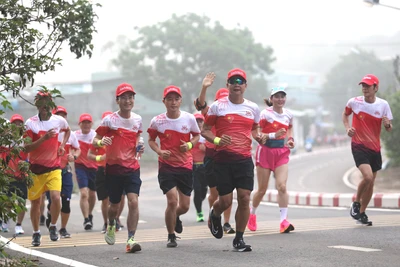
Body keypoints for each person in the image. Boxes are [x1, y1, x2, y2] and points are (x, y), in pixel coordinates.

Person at [202, 68, 265, 252]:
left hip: (244, 160)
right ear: (227, 85)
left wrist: (259, 137)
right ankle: (215, 214)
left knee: (245, 198)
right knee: (226, 201)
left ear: (245, 86)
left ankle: (239, 238)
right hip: (222, 160)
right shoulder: (217, 107)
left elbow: (254, 129)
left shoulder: (252, 108)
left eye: (240, 81)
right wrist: (217, 140)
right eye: (233, 81)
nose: (237, 84)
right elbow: (205, 130)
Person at [147, 85, 200, 248]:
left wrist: (190, 145)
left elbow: (197, 135)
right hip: (167, 166)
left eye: (176, 99)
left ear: (180, 101)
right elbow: (151, 140)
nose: (173, 102)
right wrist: (159, 151)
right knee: (172, 201)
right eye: (169, 99)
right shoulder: (157, 121)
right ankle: (171, 235)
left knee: (183, 206)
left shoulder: (189, 118)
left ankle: (175, 216)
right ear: (164, 101)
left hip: (185, 165)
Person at [93, 83, 143, 253]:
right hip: (114, 169)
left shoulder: (137, 119)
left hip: (132, 167)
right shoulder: (110, 120)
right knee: (114, 206)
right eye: (124, 98)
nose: (127, 101)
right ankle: (111, 224)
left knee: (133, 202)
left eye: (130, 97)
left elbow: (137, 137)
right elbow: (95, 139)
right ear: (117, 100)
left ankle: (131, 239)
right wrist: (101, 142)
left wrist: (139, 145)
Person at [343, 74, 393, 226]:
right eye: (363, 85)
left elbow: (389, 128)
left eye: (368, 86)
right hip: (358, 145)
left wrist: (387, 125)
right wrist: (347, 128)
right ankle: (356, 204)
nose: (364, 88)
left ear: (375, 88)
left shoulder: (383, 105)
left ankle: (362, 213)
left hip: (375, 148)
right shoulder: (354, 102)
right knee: (368, 177)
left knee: (371, 183)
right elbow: (345, 115)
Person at [24, 91, 71, 246]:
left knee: (56, 198)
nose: (44, 105)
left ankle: (52, 226)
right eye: (40, 102)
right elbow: (26, 148)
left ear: (51, 104)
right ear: (36, 104)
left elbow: (68, 130)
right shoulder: (30, 123)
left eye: (47, 102)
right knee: (36, 203)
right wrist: (44, 138)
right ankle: (36, 232)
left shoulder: (58, 121)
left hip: (53, 167)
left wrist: (62, 146)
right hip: (35, 170)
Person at [247, 87, 295, 233]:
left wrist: (291, 139)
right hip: (265, 151)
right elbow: (258, 132)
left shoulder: (288, 114)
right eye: (277, 96)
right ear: (272, 98)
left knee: (282, 186)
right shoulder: (265, 114)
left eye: (283, 96)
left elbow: (290, 128)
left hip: (281, 152)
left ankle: (283, 221)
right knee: (262, 189)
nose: (280, 99)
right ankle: (252, 215)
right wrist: (274, 134)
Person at [194, 72, 235, 234]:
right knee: (215, 193)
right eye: (221, 99)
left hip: (229, 156)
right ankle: (214, 214)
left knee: (228, 193)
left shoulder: (233, 114)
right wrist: (204, 87)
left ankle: (226, 222)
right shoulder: (211, 112)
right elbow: (201, 104)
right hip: (212, 157)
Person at [88, 111, 126, 234]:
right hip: (102, 170)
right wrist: (100, 158)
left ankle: (116, 219)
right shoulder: (99, 138)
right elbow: (90, 154)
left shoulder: (119, 135)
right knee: (105, 199)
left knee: (121, 197)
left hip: (118, 168)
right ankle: (106, 223)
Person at [53, 106, 81, 238]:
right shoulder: (50, 133)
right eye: (58, 115)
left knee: (66, 201)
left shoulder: (71, 134)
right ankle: (51, 218)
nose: (62, 118)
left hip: (65, 171)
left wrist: (73, 156)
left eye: (63, 115)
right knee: (54, 200)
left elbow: (78, 149)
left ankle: (63, 228)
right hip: (51, 171)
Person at [0, 114, 28, 235]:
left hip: (22, 175)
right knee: (8, 201)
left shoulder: (25, 140)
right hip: (8, 175)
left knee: (22, 201)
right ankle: (5, 222)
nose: (17, 125)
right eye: (15, 123)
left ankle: (18, 225)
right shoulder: (5, 141)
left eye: (19, 123)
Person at [74, 113, 98, 230]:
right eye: (84, 123)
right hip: (80, 167)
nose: (86, 125)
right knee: (84, 193)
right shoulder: (75, 135)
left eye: (88, 122)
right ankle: (86, 219)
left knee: (92, 194)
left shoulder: (95, 135)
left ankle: (89, 213)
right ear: (80, 124)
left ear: (91, 124)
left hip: (94, 167)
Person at [190, 113, 207, 222]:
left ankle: (199, 202)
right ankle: (199, 212)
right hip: (193, 167)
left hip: (205, 167)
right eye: (197, 121)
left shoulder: (207, 135)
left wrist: (206, 149)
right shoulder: (190, 136)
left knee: (204, 190)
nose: (199, 123)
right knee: (196, 189)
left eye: (201, 121)